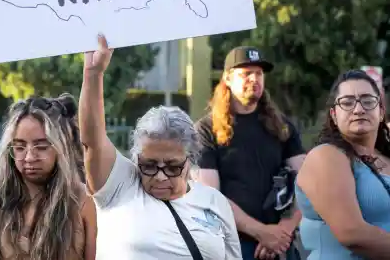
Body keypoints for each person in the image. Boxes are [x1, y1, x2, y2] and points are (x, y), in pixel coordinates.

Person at [80, 35, 241, 260]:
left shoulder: (215, 202)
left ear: (190, 160)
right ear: (136, 159)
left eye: (173, 167)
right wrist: (93, 74)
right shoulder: (120, 186)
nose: (160, 177)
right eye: (149, 166)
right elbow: (92, 141)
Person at [195, 46, 306, 260]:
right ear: (227, 78)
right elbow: (210, 196)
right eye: (246, 73)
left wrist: (284, 230)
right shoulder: (206, 130)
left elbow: (309, 183)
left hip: (281, 247)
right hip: (233, 247)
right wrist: (262, 232)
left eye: (259, 73)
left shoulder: (282, 127)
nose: (254, 79)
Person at [0, 94, 97, 260]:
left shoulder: (83, 201)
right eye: (19, 147)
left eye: (41, 146)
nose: (29, 157)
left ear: (60, 148)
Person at [295, 69, 390, 259]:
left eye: (368, 101)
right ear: (334, 115)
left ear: (381, 112)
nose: (358, 109)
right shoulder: (326, 156)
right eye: (347, 103)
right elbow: (352, 234)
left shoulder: (386, 157)